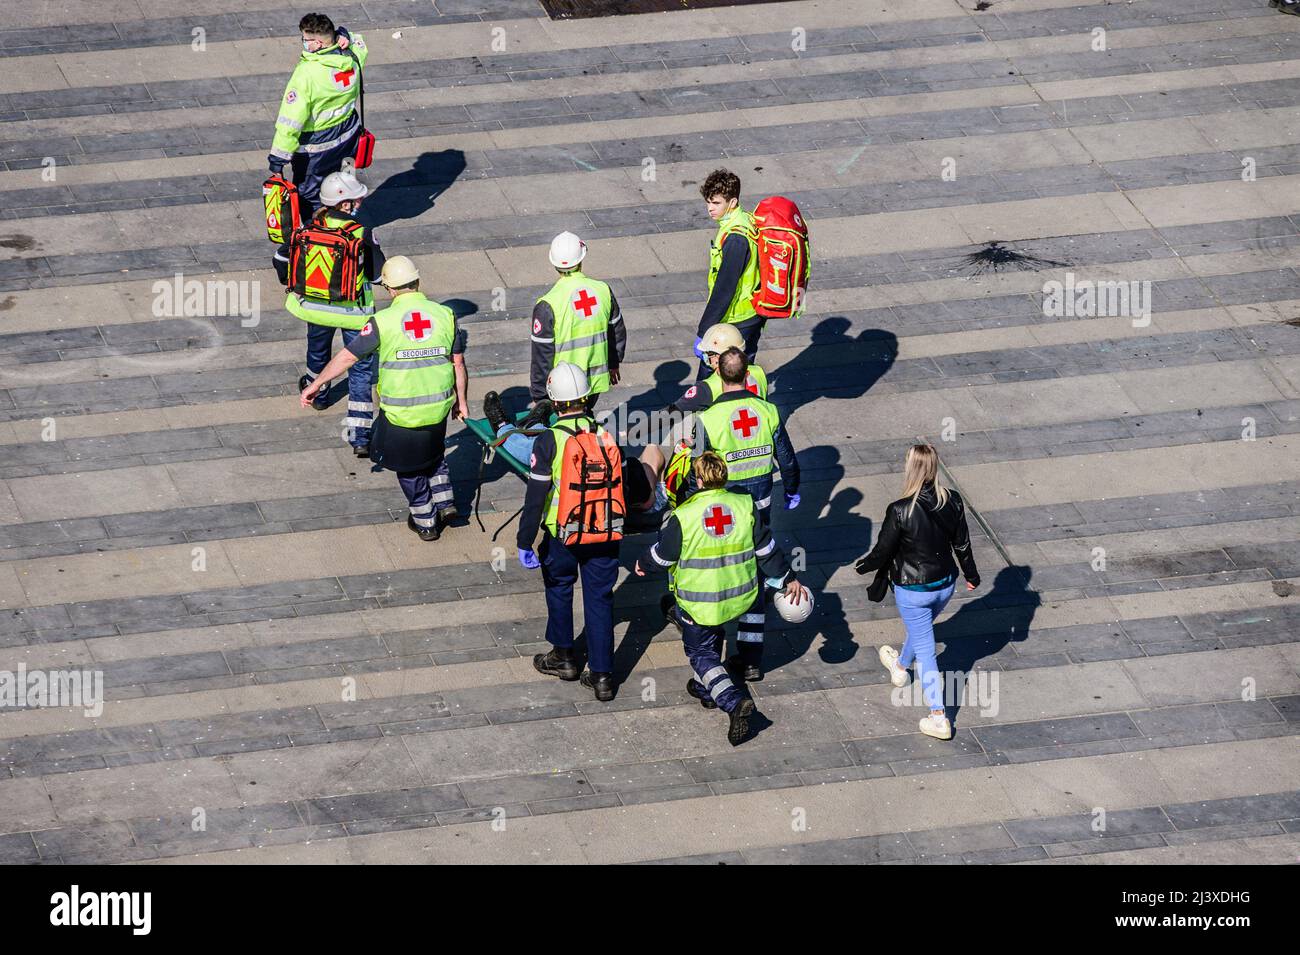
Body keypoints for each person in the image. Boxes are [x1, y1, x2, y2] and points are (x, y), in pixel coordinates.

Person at [635, 451, 809, 745]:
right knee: (711, 642)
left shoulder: (685, 515)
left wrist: (642, 563)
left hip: (700, 601)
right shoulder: (744, 505)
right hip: (739, 594)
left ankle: (732, 701)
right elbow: (766, 550)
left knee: (701, 652)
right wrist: (788, 578)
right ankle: (707, 690)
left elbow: (663, 556)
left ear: (699, 480)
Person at [300, 256, 467, 540]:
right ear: (417, 282)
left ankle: (425, 520)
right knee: (433, 452)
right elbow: (458, 363)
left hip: (401, 412)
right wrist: (461, 402)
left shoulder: (382, 321)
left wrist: (317, 383)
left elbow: (347, 357)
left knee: (409, 468)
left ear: (389, 289)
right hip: (439, 407)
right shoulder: (445, 314)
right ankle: (445, 501)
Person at [685, 347, 799, 680]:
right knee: (756, 579)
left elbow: (698, 471)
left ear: (718, 373)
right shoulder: (767, 411)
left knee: (721, 573)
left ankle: (713, 651)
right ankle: (750, 659)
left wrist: (690, 502)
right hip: (761, 508)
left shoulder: (708, 419)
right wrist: (792, 490)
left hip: (723, 512)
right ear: (747, 372)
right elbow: (787, 459)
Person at [854, 445, 980, 741]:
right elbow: (961, 544)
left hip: (912, 590)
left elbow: (882, 550)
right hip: (945, 584)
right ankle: (899, 667)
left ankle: (939, 716)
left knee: (926, 652)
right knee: (920, 631)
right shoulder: (953, 501)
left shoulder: (900, 509)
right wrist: (971, 575)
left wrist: (864, 567)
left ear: (910, 468)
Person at [517, 363, 621, 702]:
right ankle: (603, 676)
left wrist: (524, 541)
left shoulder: (550, 440)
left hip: (564, 533)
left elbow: (535, 497)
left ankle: (563, 657)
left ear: (554, 401)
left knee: (560, 587)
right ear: (587, 397)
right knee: (600, 599)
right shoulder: (604, 433)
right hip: (604, 531)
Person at [281, 169, 383, 456]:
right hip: (353, 312)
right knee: (361, 369)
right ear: (344, 204)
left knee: (317, 351)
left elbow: (284, 263)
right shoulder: (361, 233)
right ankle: (360, 435)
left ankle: (319, 393)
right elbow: (376, 275)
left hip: (315, 308)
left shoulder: (307, 229)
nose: (359, 204)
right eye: (355, 200)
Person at [482, 391, 669, 518]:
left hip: (578, 513)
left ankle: (505, 427)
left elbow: (647, 497)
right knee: (549, 444)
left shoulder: (633, 475)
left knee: (539, 449)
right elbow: (653, 456)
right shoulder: (626, 466)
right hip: (621, 494)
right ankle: (532, 424)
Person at [269, 13, 367, 219]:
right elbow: (359, 41)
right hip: (348, 137)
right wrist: (343, 34)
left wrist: (277, 161)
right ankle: (342, 224)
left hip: (316, 148)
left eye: (305, 40)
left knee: (309, 199)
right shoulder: (352, 55)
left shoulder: (307, 73)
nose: (303, 44)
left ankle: (313, 240)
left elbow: (290, 121)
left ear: (318, 42)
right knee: (341, 189)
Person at [529, 232, 626, 413]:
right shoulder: (602, 290)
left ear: (554, 263)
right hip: (594, 381)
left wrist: (540, 397)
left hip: (562, 389)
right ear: (582, 258)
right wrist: (614, 363)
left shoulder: (547, 304)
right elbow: (616, 331)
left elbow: (541, 356)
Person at [694, 168, 764, 379]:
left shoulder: (735, 237)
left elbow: (725, 289)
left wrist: (703, 331)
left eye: (716, 203)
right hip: (752, 314)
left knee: (712, 376)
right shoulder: (745, 220)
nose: (710, 208)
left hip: (735, 318)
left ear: (732, 202)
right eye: (708, 202)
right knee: (743, 371)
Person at [669, 322, 769, 417]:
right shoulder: (758, 372)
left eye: (708, 354)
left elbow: (672, 413)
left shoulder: (707, 388)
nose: (705, 357)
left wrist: (653, 424)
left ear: (718, 358)